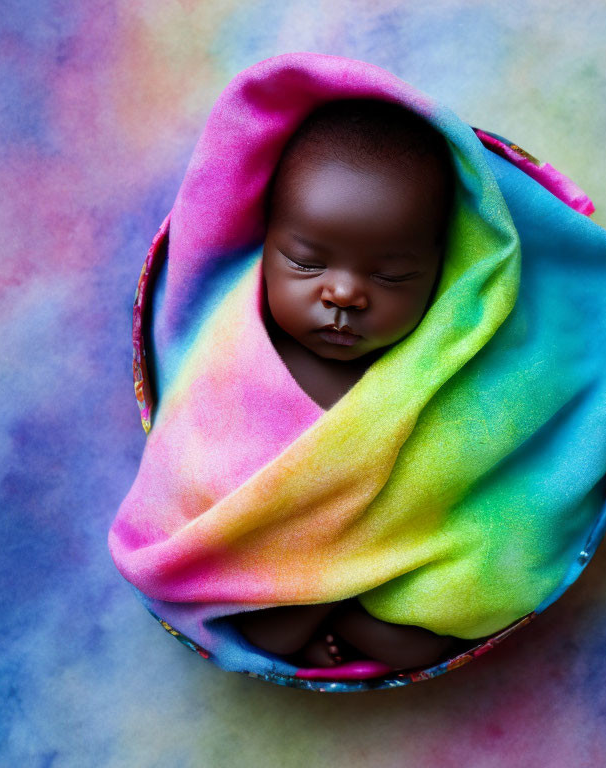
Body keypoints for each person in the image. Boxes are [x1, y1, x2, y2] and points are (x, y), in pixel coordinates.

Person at [231, 98, 467, 670]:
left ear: (443, 269)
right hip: (270, 553)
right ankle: (327, 605)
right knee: (267, 632)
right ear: (264, 243)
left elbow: (456, 469)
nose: (344, 295)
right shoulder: (243, 349)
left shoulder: (429, 364)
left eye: (391, 276)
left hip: (388, 554)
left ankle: (342, 609)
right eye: (307, 263)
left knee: (425, 638)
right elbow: (203, 453)